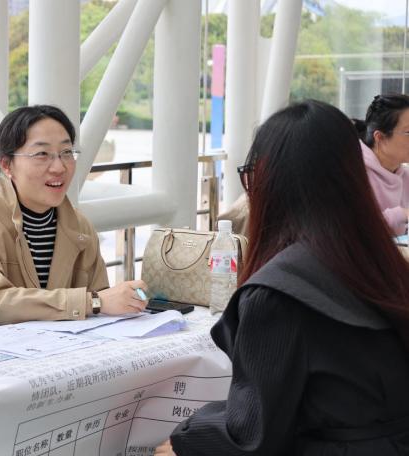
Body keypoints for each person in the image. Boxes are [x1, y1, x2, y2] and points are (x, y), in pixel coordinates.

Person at [155, 100, 409, 455]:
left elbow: (252, 436)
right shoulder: (385, 264)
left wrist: (186, 438)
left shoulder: (279, 293)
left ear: (270, 182)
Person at [0, 105, 147, 334]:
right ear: (7, 164)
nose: (59, 167)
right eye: (42, 154)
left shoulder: (79, 226)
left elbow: (100, 302)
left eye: (66, 152)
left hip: (57, 348)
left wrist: (126, 300)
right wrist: (92, 303)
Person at [353, 94, 409, 236]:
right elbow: (354, 228)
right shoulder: (354, 173)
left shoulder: (404, 175)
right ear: (380, 137)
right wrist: (402, 214)